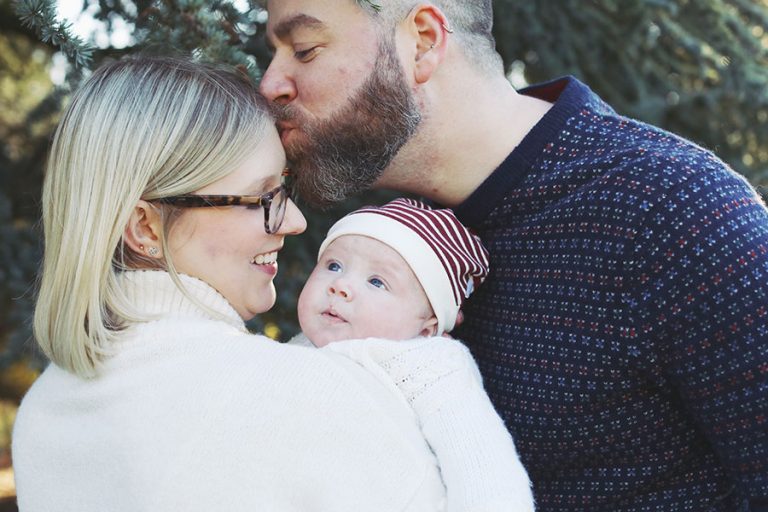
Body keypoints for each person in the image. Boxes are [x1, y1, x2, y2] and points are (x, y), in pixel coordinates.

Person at [259, 1, 768, 510]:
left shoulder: (673, 212)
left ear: (423, 40)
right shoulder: (379, 234)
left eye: (304, 49)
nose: (270, 84)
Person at [13, 55, 457, 512]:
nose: (296, 221)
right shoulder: (314, 399)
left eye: (284, 189)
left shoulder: (44, 414)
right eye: (263, 197)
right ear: (145, 228)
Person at [294, 197, 535, 511]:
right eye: (333, 265)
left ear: (426, 327)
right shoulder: (297, 350)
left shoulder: (430, 366)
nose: (340, 285)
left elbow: (484, 470)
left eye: (377, 282)